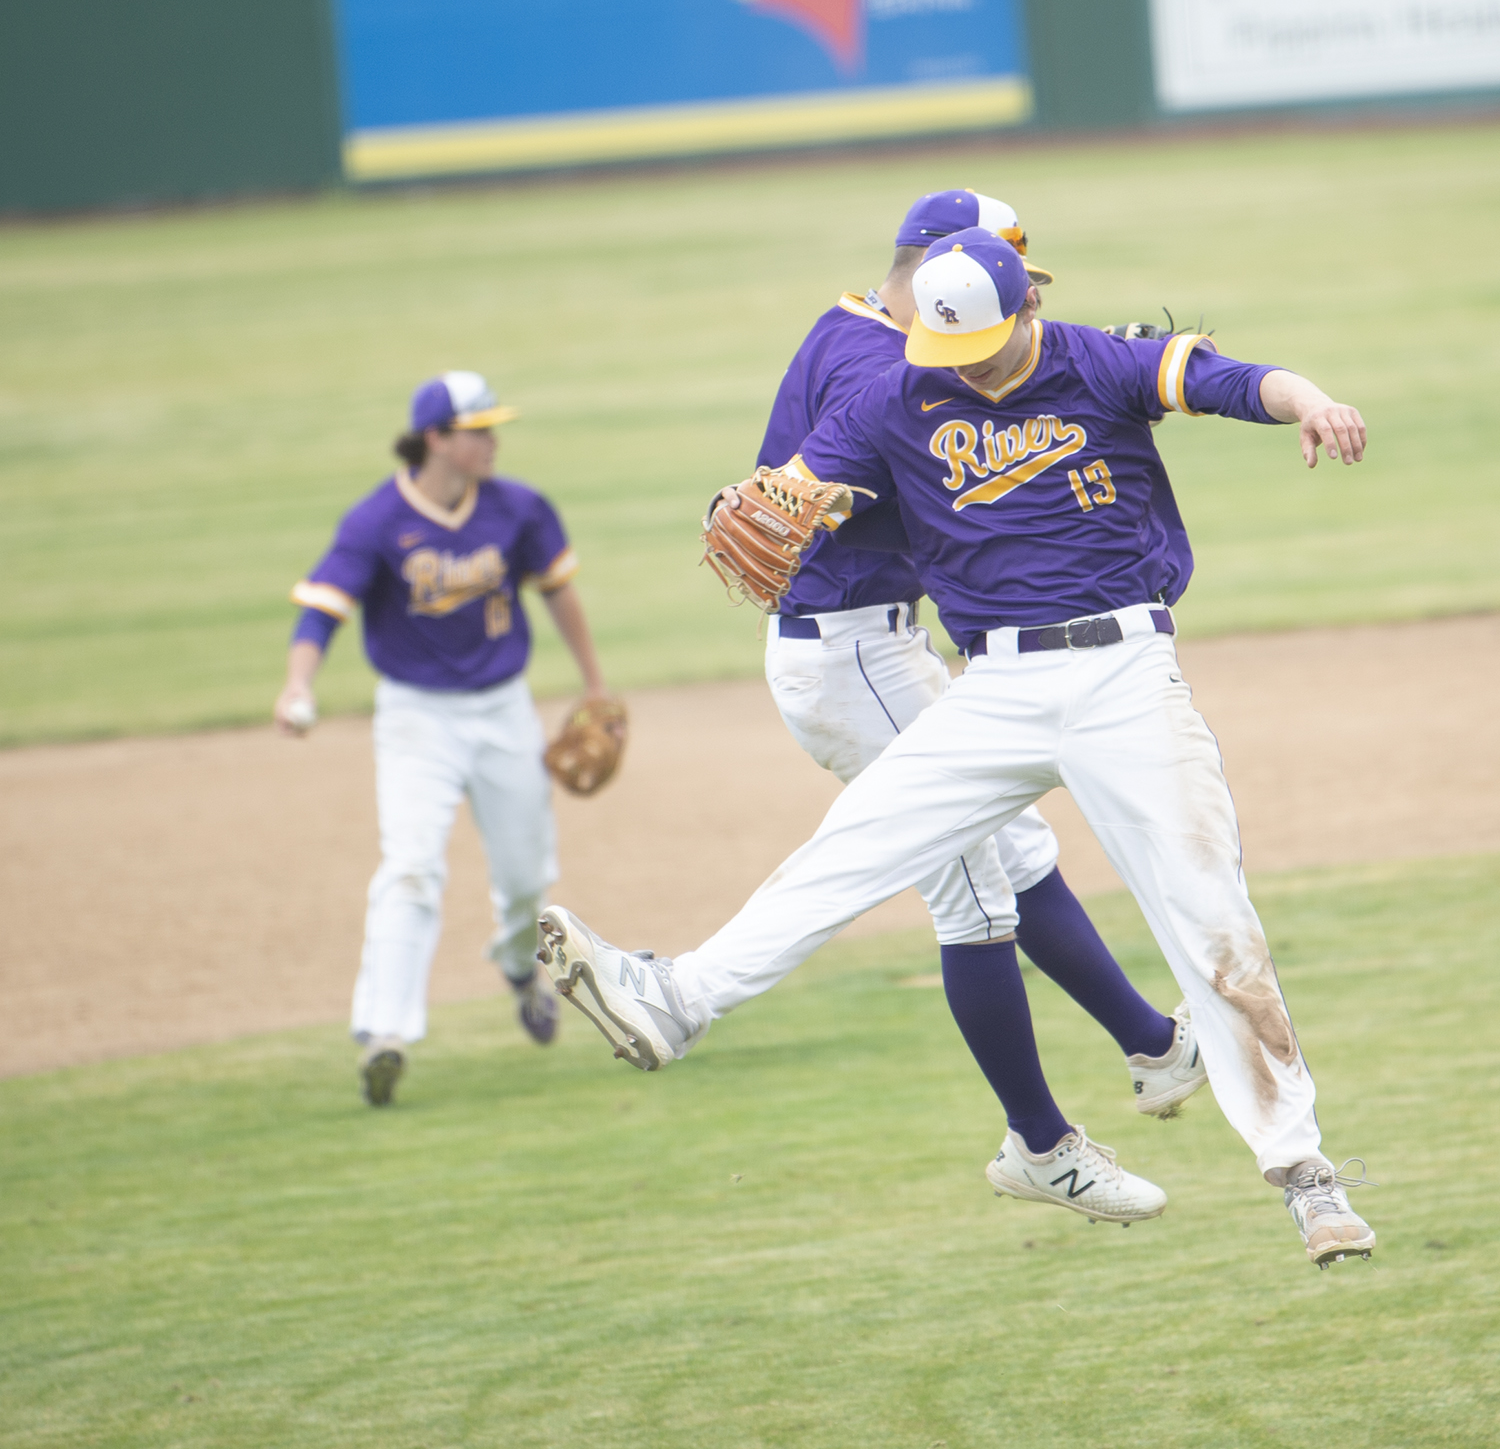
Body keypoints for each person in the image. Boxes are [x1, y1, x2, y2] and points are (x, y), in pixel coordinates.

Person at [539, 231, 1377, 1266]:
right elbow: (796, 485)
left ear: (1027, 308)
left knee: (1208, 913)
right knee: (855, 841)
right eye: (950, 347)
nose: (967, 365)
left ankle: (1306, 1178)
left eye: (985, 341)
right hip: (998, 688)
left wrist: (1311, 403)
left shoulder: (1091, 359)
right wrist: (753, 504)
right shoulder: (902, 391)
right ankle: (678, 998)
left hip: (1123, 677)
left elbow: (1229, 379)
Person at [753, 187, 1206, 1149]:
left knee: (1019, 855)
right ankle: (1042, 1144)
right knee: (974, 895)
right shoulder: (881, 360)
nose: (1011, 322)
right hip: (847, 648)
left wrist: (1078, 371)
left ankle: (1155, 1045)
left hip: (875, 643)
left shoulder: (880, 337)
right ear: (930, 270)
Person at [277, 372, 614, 1106]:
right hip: (416, 718)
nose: (491, 442)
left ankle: (519, 968)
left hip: (503, 710)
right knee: (410, 867)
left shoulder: (518, 508)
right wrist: (298, 684)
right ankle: (383, 1034)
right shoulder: (376, 522)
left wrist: (593, 684)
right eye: (477, 430)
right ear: (435, 439)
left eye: (493, 428)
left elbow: (558, 590)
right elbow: (322, 610)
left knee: (527, 877)